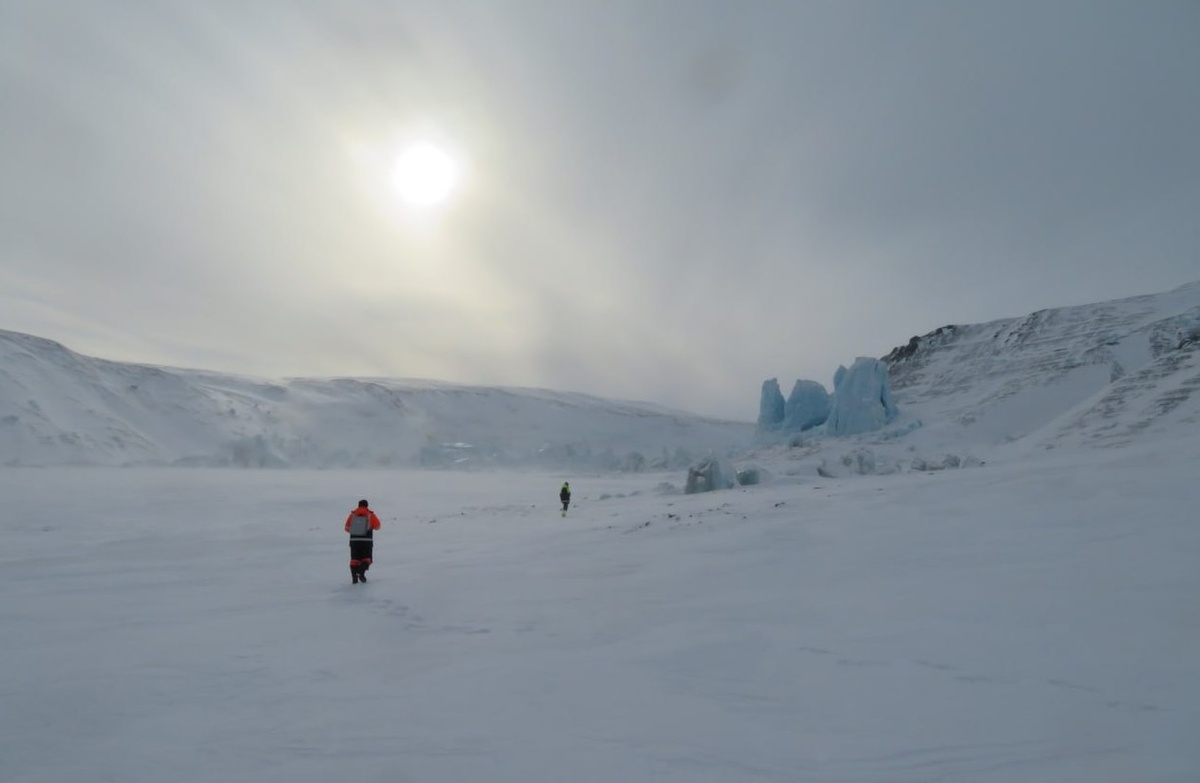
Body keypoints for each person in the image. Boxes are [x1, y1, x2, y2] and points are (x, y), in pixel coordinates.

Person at [344, 499, 381, 584]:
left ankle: (354, 579)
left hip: (354, 541)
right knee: (367, 559)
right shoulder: (370, 514)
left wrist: (356, 530)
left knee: (354, 560)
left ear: (358, 505)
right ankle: (360, 572)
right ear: (367, 506)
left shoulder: (352, 515)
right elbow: (378, 526)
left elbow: (346, 528)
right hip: (366, 541)